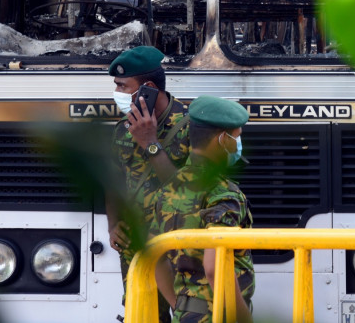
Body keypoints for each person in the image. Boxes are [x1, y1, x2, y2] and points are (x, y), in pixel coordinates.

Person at [105, 45, 191, 322]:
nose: (117, 93)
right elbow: (114, 182)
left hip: (180, 246)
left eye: (122, 85)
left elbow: (188, 190)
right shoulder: (123, 128)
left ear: (149, 88)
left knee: (187, 314)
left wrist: (150, 144)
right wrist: (113, 224)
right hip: (137, 246)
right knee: (142, 315)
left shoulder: (192, 127)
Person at [150, 96, 254, 323]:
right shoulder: (223, 192)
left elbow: (154, 256)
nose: (238, 145)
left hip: (183, 314)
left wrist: (179, 306)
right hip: (218, 314)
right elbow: (214, 267)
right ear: (222, 140)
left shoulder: (168, 187)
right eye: (236, 138)